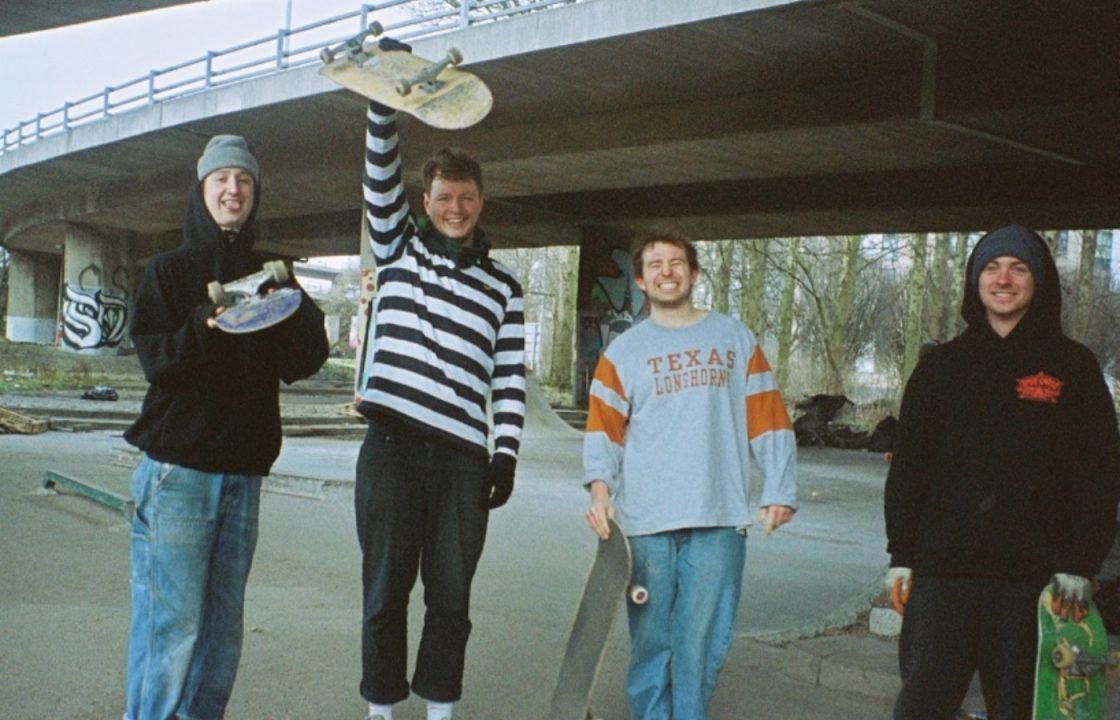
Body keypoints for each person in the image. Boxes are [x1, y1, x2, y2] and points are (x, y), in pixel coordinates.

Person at [123, 134, 330, 720]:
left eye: (243, 181)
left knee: (222, 633)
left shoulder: (268, 277)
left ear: (254, 194)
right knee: (171, 630)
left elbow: (304, 361)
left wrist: (293, 302)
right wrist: (205, 325)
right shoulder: (167, 272)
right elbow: (158, 361)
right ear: (202, 190)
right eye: (222, 180)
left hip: (243, 475)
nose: (233, 190)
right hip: (179, 474)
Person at [352, 39, 526, 720]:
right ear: (425, 202)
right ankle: (380, 709)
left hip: (460, 459)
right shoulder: (398, 252)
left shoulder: (503, 286)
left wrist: (504, 454)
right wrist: (382, 104)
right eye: (444, 197)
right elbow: (377, 178)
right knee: (384, 590)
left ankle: (440, 710)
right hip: (391, 449)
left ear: (481, 202)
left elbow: (508, 376)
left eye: (467, 198)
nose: (456, 208)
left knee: (451, 596)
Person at [885, 225, 1120, 719]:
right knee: (922, 704)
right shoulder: (941, 368)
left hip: (1032, 584)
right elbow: (910, 468)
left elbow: (1098, 473)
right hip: (944, 574)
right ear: (975, 281)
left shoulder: (1072, 367)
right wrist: (901, 554)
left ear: (1039, 282)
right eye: (991, 267)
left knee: (1020, 709)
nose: (1003, 278)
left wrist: (1081, 560)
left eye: (1019, 267)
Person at [583, 232, 797, 720]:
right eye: (654, 264)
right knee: (651, 645)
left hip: (718, 520)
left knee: (699, 645)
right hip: (646, 524)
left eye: (676, 262)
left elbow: (768, 416)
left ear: (694, 274)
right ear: (639, 280)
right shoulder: (624, 353)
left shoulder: (735, 338)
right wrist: (600, 492)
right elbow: (603, 433)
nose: (666, 271)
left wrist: (779, 488)